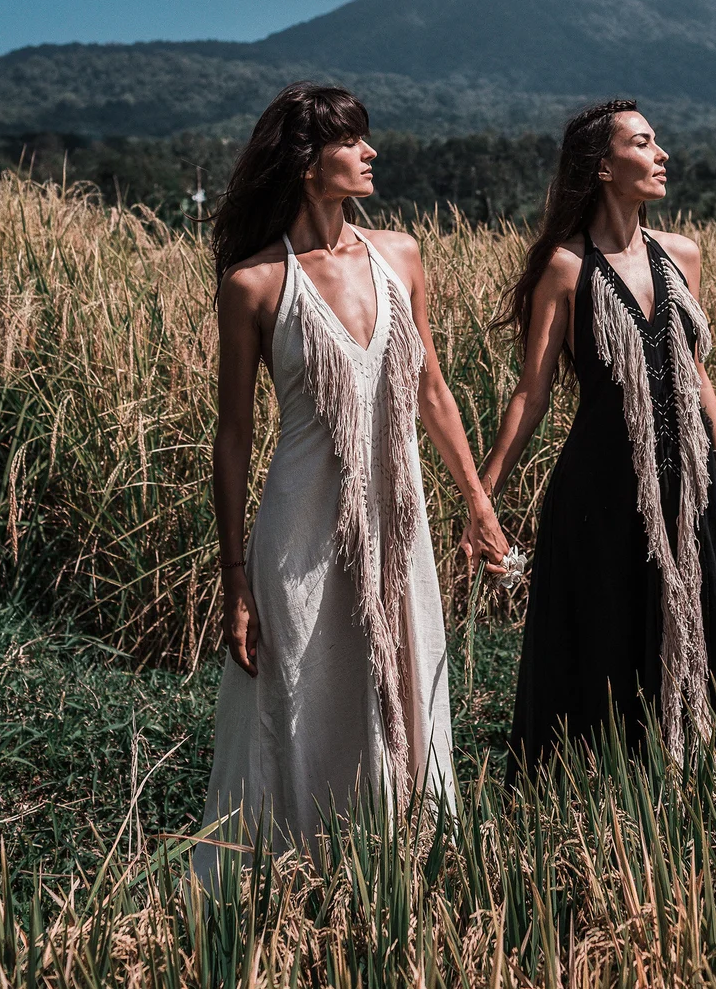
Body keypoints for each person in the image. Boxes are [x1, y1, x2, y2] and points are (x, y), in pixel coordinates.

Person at [193, 82, 507, 879]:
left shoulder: (399, 253)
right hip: (300, 531)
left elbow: (431, 388)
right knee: (304, 698)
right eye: (353, 141)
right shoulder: (255, 284)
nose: (371, 153)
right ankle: (298, 880)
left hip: (399, 518)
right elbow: (233, 439)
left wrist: (475, 499)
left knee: (406, 675)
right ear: (307, 162)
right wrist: (234, 580)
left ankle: (405, 869)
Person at [463, 99, 716, 772]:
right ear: (602, 167)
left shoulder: (681, 254)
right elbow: (530, 394)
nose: (662, 156)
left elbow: (696, 378)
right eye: (644, 144)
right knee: (606, 645)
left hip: (689, 487)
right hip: (602, 492)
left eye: (658, 144)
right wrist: (483, 499)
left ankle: (696, 786)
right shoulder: (566, 269)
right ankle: (594, 804)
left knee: (700, 635)